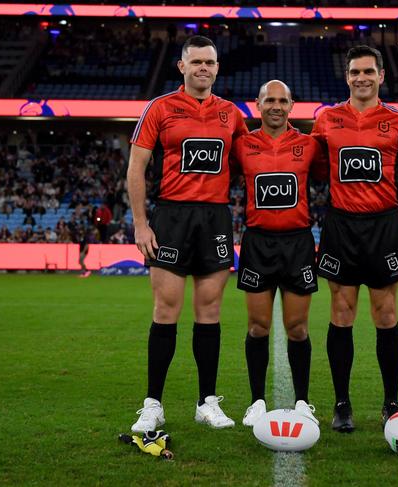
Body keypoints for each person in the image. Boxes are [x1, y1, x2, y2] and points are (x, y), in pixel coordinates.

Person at [127, 35, 248, 432]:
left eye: (209, 62)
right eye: (196, 61)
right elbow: (136, 167)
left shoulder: (232, 114)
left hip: (214, 218)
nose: (203, 68)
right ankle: (152, 404)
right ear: (181, 66)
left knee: (209, 312)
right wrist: (141, 223)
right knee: (166, 311)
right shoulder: (160, 108)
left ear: (217, 68)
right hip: (172, 217)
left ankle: (206, 402)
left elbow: (253, 162)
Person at [311, 45, 398, 432]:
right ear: (346, 77)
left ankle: (391, 402)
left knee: (386, 314)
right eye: (354, 72)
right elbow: (306, 167)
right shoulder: (327, 119)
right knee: (341, 312)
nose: (360, 78)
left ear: (382, 75)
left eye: (368, 71)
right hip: (341, 225)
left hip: (384, 226)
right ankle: (342, 404)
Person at [230, 80, 326, 427]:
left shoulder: (308, 145)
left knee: (297, 328)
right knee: (258, 326)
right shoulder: (242, 145)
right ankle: (256, 401)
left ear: (291, 105)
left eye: (282, 100)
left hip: (298, 243)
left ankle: (302, 401)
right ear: (257, 104)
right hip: (257, 243)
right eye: (269, 100)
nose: (275, 105)